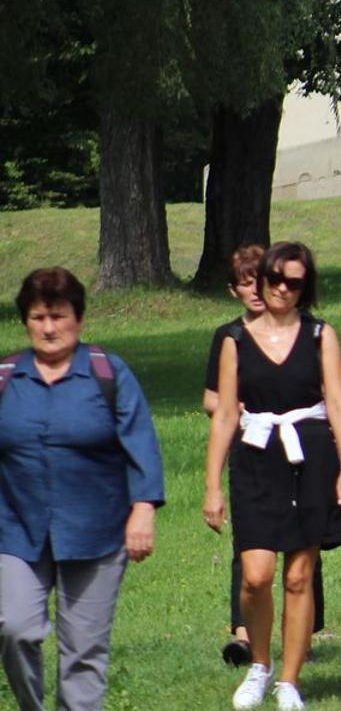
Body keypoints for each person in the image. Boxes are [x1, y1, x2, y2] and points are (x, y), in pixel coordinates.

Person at [202, 242, 341, 711]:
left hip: (310, 456)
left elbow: (338, 404)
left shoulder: (319, 335)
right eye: (276, 280)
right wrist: (212, 486)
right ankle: (260, 663)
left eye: (294, 282)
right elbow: (225, 413)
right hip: (254, 457)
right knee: (256, 574)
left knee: (298, 575)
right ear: (263, 279)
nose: (282, 290)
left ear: (304, 286)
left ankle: (289, 679)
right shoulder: (233, 338)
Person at [0, 268, 164, 711]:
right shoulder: (6, 378)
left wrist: (143, 509)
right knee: (14, 627)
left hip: (97, 532)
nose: (49, 328)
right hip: (16, 531)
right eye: (37, 317)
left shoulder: (107, 374)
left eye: (58, 316)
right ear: (25, 322)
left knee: (83, 653)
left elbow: (141, 443)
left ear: (79, 318)